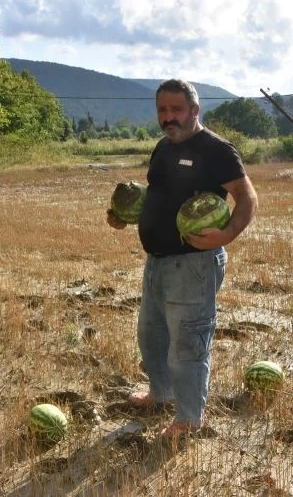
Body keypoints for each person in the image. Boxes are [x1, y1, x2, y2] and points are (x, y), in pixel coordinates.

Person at [106, 79, 258, 439]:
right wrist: (125, 216)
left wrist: (227, 235)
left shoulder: (217, 149)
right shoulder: (162, 148)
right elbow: (156, 197)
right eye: (162, 110)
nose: (168, 117)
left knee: (187, 344)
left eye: (176, 109)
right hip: (157, 262)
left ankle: (189, 418)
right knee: (152, 335)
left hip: (193, 265)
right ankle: (162, 395)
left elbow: (248, 198)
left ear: (194, 110)